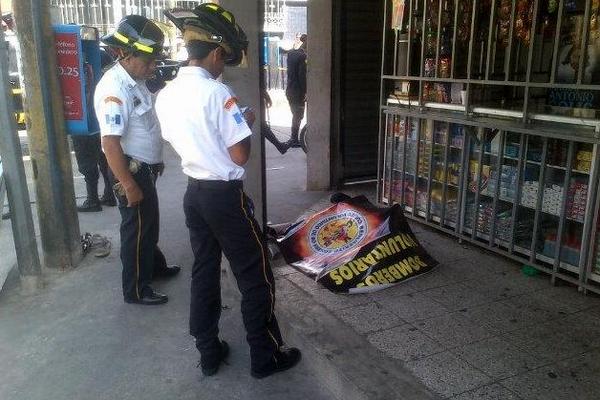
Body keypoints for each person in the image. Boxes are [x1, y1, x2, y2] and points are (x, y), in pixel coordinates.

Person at [157, 3, 301, 378]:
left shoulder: (166, 94)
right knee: (256, 275)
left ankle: (208, 352)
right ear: (217, 52)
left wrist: (228, 125)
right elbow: (240, 155)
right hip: (225, 197)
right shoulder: (216, 93)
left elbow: (182, 140)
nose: (225, 66)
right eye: (225, 58)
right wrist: (244, 121)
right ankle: (265, 356)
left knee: (203, 272)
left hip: (194, 194)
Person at [94, 15, 180, 306]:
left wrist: (156, 160)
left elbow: (145, 125)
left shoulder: (134, 79)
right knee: (137, 229)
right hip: (130, 170)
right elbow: (109, 142)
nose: (154, 66)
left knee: (148, 224)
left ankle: (154, 268)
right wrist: (128, 185)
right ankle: (136, 289)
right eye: (149, 60)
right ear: (126, 54)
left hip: (143, 166)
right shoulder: (114, 90)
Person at [73, 48, 117, 212]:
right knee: (103, 158)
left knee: (87, 162)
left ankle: (92, 200)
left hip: (85, 119)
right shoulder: (102, 59)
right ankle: (109, 194)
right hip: (100, 118)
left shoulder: (80, 63)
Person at [285, 33, 307, 148]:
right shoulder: (302, 57)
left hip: (290, 90)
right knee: (298, 115)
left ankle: (294, 138)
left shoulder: (291, 54)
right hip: (298, 92)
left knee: (296, 115)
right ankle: (294, 139)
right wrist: (306, 92)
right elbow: (302, 77)